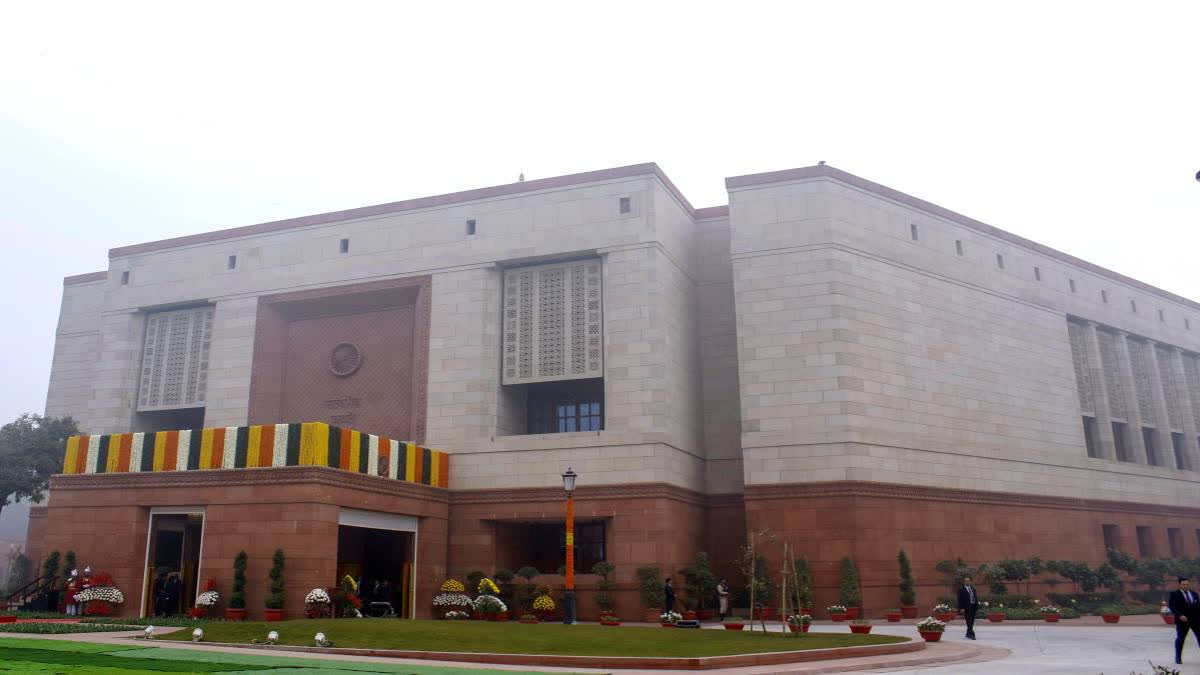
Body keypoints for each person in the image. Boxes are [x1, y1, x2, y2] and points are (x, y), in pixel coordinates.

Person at [1169, 577, 1200, 664]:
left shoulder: (1194, 594)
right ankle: (1178, 657)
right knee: (1181, 638)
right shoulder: (1174, 594)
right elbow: (1172, 607)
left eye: (1187, 584)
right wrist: (1179, 615)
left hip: (1195, 621)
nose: (1185, 586)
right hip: (1182, 621)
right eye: (1183, 584)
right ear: (1179, 585)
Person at [957, 575, 980, 640]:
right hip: (966, 608)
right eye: (966, 581)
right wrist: (961, 608)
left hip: (973, 607)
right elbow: (960, 599)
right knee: (969, 621)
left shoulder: (973, 588)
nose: (967, 582)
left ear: (970, 582)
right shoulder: (961, 589)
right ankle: (971, 635)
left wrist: (977, 604)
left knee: (972, 621)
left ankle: (968, 633)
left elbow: (975, 597)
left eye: (968, 581)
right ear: (964, 582)